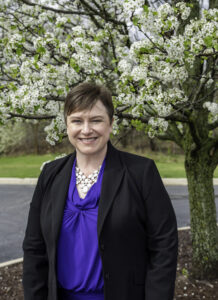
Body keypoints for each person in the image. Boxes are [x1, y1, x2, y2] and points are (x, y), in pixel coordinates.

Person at [22, 82, 178, 300]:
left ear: (111, 124)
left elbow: (164, 246)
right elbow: (34, 248)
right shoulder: (50, 174)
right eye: (77, 121)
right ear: (67, 126)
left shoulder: (141, 173)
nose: (86, 130)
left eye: (96, 120)